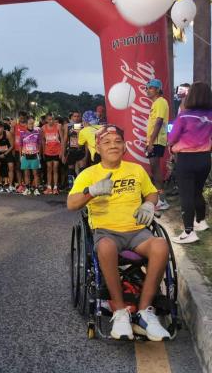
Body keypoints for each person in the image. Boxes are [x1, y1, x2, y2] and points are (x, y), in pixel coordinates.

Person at [67, 125, 171, 342]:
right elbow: (71, 204)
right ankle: (120, 311)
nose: (113, 145)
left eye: (117, 141)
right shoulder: (89, 174)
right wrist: (91, 192)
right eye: (106, 142)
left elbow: (151, 193)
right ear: (98, 149)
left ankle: (144, 312)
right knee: (106, 247)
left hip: (137, 231)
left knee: (161, 245)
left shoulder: (136, 170)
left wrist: (149, 205)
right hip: (106, 232)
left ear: (124, 147)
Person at [169, 82, 212, 244]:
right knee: (197, 192)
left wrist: (172, 147)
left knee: (186, 194)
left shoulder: (184, 116)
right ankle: (200, 221)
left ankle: (188, 232)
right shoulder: (210, 115)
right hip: (205, 158)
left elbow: (172, 138)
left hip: (186, 159)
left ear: (191, 95)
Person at [145, 79, 170, 211]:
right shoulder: (156, 103)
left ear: (158, 89)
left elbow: (159, 122)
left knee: (156, 169)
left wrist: (151, 142)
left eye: (150, 88)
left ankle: (162, 200)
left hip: (156, 141)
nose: (147, 90)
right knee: (154, 170)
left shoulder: (160, 101)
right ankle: (160, 199)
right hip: (154, 141)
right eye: (147, 88)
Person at [42, 112, 64, 195]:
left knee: (55, 168)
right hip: (48, 151)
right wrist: (43, 151)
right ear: (46, 120)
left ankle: (55, 187)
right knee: (49, 169)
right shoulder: (43, 128)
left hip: (57, 151)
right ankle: (49, 187)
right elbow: (43, 140)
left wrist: (61, 151)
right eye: (49, 119)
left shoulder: (58, 126)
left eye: (52, 119)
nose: (51, 121)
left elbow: (62, 139)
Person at [20, 116, 42, 196]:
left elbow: (39, 144)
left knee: (35, 173)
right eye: (30, 123)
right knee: (26, 173)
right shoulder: (22, 133)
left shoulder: (37, 132)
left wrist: (39, 154)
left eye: (32, 123)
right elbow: (20, 145)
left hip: (34, 156)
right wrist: (20, 156)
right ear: (26, 124)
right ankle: (27, 189)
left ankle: (36, 189)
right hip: (25, 156)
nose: (31, 125)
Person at [64, 111, 86, 189]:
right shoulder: (68, 126)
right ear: (72, 117)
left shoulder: (83, 125)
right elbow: (65, 139)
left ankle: (81, 186)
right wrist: (63, 153)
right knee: (71, 169)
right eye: (75, 116)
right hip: (71, 150)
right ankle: (71, 186)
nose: (76, 118)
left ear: (80, 117)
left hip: (81, 150)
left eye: (78, 116)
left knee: (82, 168)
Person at [11, 111, 28, 193]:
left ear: (25, 118)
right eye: (21, 117)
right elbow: (11, 135)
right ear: (19, 117)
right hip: (17, 150)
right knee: (18, 168)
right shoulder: (15, 126)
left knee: (25, 168)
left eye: (23, 117)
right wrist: (12, 126)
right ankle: (20, 185)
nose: (22, 118)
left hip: (26, 150)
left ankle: (25, 184)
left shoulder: (28, 126)